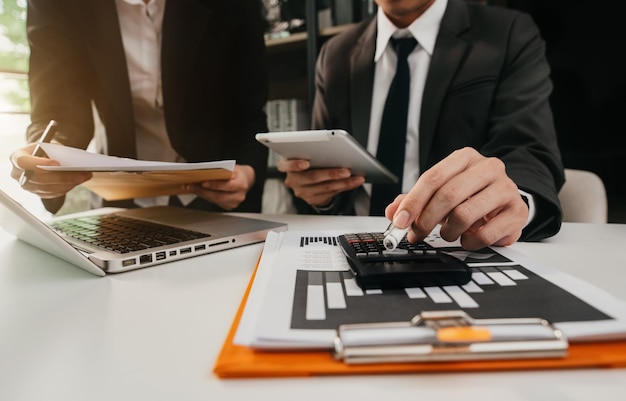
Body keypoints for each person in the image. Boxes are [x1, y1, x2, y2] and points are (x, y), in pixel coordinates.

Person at [278, 0, 565, 250]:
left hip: (456, 247)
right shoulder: (334, 55)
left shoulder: (507, 33)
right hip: (351, 245)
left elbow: (529, 149)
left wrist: (515, 201)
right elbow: (323, 176)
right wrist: (318, 192)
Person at [9, 0, 269, 214]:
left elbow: (248, 109)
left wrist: (247, 169)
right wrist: (49, 157)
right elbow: (59, 110)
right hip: (122, 199)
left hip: (218, 197)